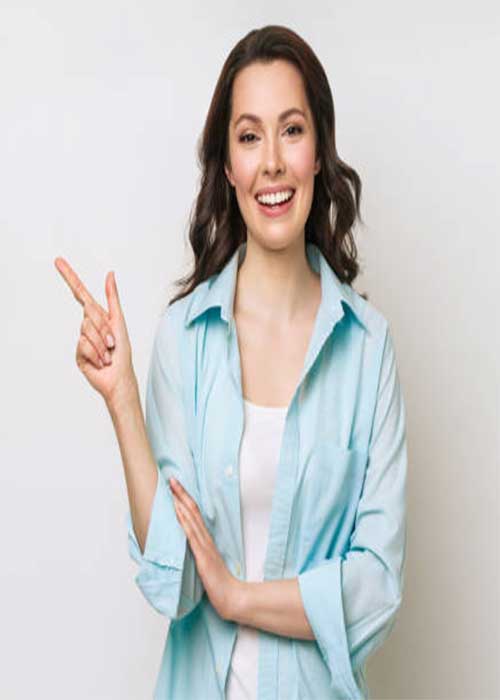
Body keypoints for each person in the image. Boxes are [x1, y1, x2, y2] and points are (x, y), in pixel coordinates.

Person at [55, 24, 407, 700]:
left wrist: (239, 596)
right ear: (227, 167)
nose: (271, 162)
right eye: (249, 137)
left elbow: (376, 590)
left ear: (319, 154)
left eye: (292, 130)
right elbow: (174, 582)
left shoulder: (368, 350)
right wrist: (122, 399)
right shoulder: (185, 338)